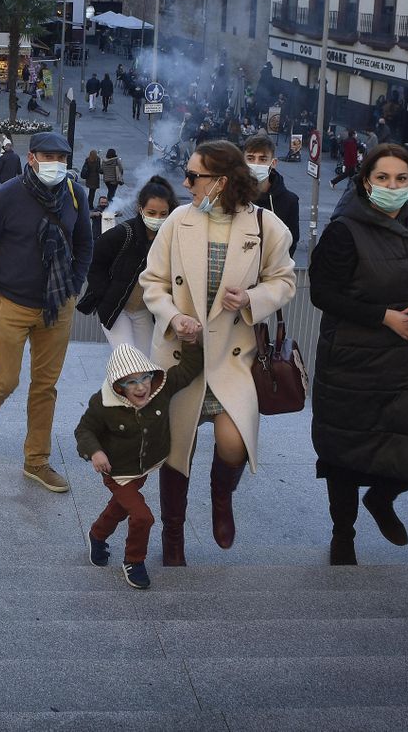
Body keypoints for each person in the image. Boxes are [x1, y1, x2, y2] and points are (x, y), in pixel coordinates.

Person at [141, 140, 296, 567]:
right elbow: (152, 281)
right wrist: (173, 317)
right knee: (176, 450)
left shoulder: (267, 227)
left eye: (194, 177)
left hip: (233, 355)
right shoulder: (177, 221)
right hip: (181, 355)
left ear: (220, 182)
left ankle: (221, 495)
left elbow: (284, 282)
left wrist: (250, 298)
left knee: (233, 443)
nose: (186, 183)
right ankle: (173, 538)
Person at [308, 142, 408, 567]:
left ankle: (381, 499)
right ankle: (343, 537)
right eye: (382, 178)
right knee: (346, 454)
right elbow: (322, 293)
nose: (392, 186)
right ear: (365, 181)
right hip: (355, 365)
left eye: (401, 179)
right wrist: (383, 317)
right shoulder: (343, 230)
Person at [0, 131, 94, 492]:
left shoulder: (73, 193)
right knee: (5, 381)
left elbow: (85, 243)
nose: (56, 165)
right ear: (31, 158)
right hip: (11, 304)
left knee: (45, 387)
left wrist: (75, 285)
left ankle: (37, 460)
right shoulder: (6, 196)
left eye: (62, 159)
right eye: (48, 157)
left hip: (57, 305)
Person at [75, 343, 204, 591]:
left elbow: (189, 369)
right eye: (131, 382)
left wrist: (190, 340)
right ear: (118, 386)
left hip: (143, 467)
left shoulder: (160, 389)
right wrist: (95, 451)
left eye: (145, 377)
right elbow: (84, 430)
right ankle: (134, 561)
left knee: (120, 507)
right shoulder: (103, 404)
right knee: (143, 516)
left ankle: (97, 534)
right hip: (117, 471)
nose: (141, 386)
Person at [78, 177, 177, 356]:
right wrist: (103, 294)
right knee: (127, 360)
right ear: (141, 209)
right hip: (117, 309)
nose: (158, 219)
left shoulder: (171, 238)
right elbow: (95, 262)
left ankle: (112, 385)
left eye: (164, 214)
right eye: (152, 212)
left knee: (144, 363)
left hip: (145, 311)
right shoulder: (123, 233)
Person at [243, 133, 301, 259]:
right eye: (251, 158)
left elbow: (290, 243)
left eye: (263, 159)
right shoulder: (233, 196)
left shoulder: (289, 201)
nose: (256, 164)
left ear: (273, 163)